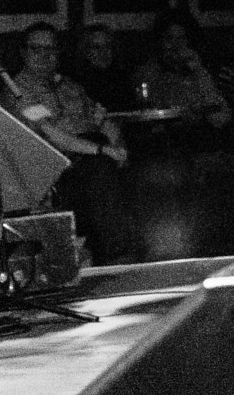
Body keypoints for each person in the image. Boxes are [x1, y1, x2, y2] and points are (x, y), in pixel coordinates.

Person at [12, 22, 142, 263]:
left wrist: (119, 146)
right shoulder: (19, 90)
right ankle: (121, 256)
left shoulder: (70, 85)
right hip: (57, 167)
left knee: (144, 167)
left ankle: (141, 254)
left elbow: (102, 121)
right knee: (101, 171)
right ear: (23, 53)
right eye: (36, 49)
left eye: (51, 49)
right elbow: (51, 135)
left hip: (93, 155)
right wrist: (103, 150)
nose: (45, 55)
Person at [131, 10, 233, 130]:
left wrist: (199, 71)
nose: (176, 45)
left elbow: (221, 118)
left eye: (181, 38)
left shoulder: (206, 72)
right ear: (160, 42)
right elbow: (150, 117)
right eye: (169, 38)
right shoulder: (148, 73)